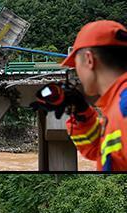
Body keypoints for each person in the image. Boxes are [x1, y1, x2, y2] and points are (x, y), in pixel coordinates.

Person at [34, 21, 127, 171]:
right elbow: (100, 150)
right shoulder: (116, 105)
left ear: (89, 60)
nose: (76, 73)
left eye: (75, 65)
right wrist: (80, 112)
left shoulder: (124, 106)